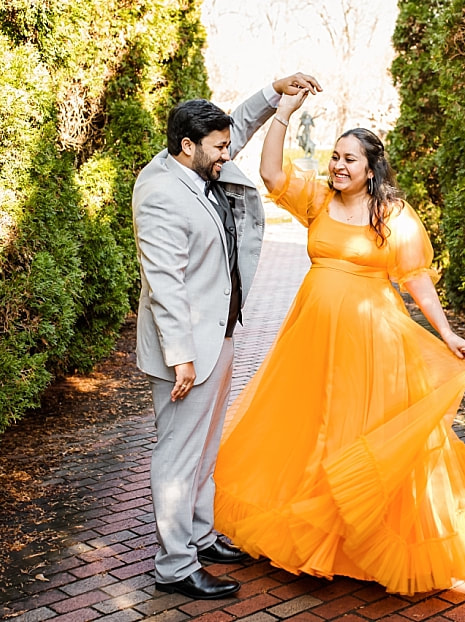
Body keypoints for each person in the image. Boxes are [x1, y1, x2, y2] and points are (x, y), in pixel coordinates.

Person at [213, 89, 465, 595]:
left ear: (371, 168)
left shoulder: (392, 215)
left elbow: (417, 280)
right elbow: (273, 174)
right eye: (335, 157)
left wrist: (447, 332)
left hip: (373, 341)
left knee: (361, 427)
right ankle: (312, 533)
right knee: (311, 424)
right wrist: (283, 113)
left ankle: (365, 542)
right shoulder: (319, 200)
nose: (338, 166)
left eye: (350, 159)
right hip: (311, 339)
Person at [132, 73, 323, 600]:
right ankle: (174, 567)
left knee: (205, 447)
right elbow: (164, 283)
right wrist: (181, 357)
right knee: (178, 455)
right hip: (187, 350)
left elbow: (235, 125)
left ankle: (199, 534)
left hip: (219, 334)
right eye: (219, 147)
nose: (227, 152)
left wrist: (274, 92)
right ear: (187, 146)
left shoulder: (195, 162)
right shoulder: (160, 194)